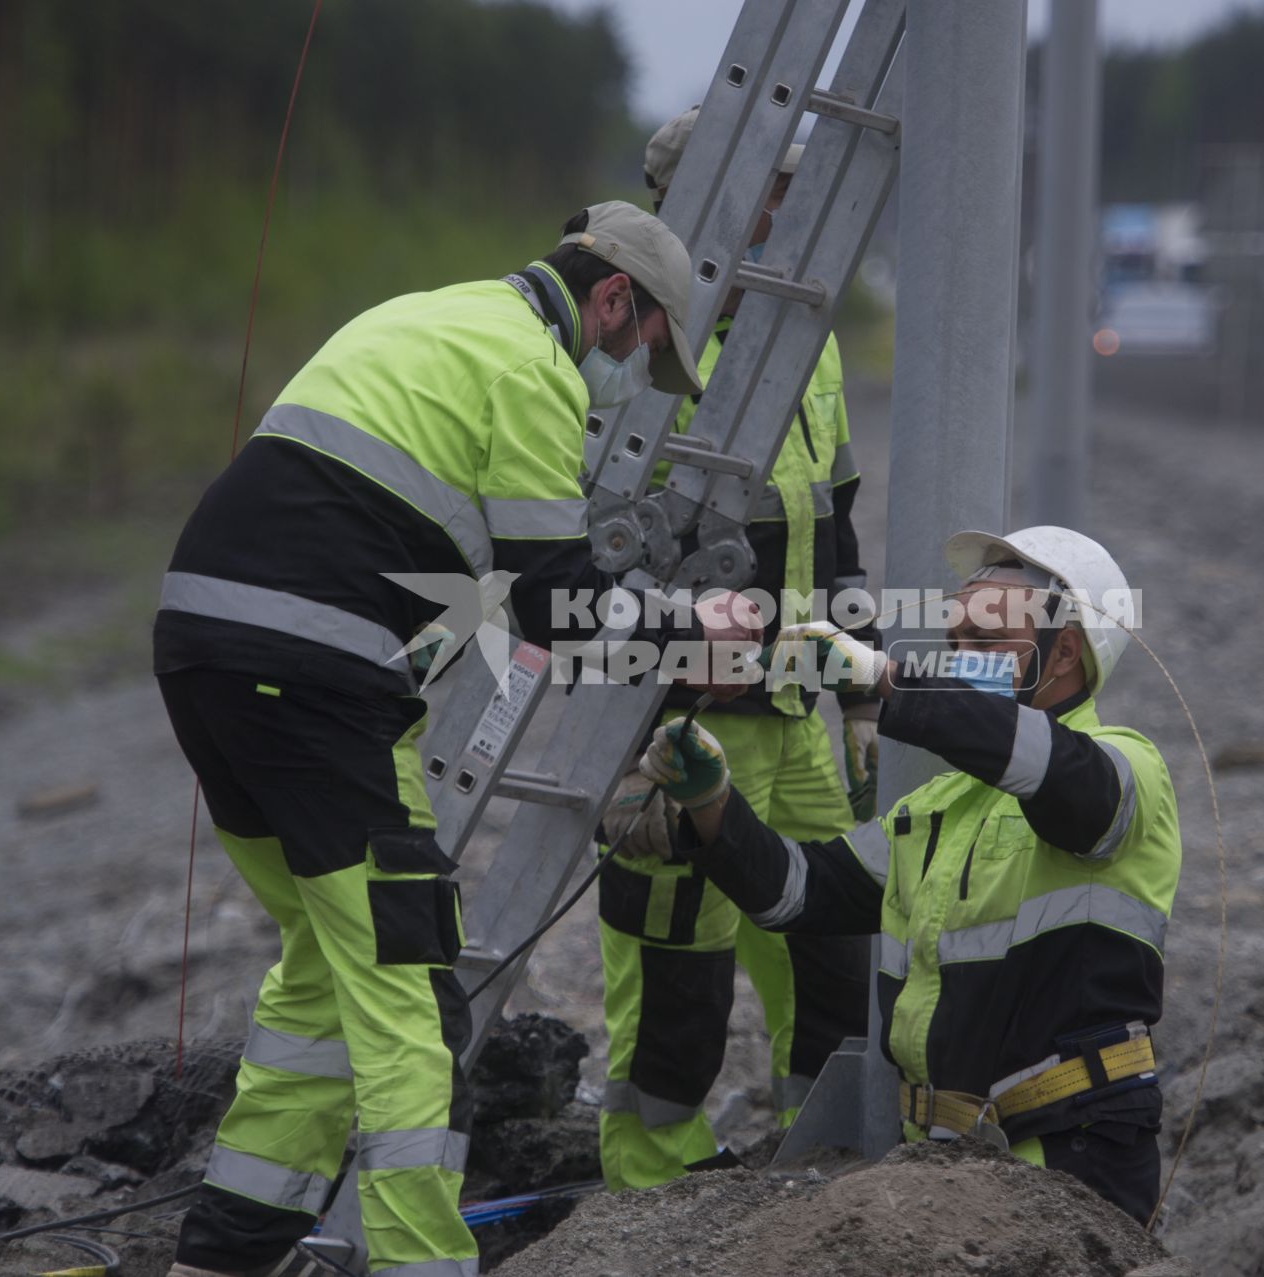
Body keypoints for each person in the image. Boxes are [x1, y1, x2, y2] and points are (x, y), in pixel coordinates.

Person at [155, 202, 751, 1277]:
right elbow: (555, 603)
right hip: (311, 673)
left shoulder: (432, 319)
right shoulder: (531, 369)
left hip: (206, 650)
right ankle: (423, 1262)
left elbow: (427, 560)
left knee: (327, 971)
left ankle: (222, 1258)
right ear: (612, 300)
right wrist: (686, 629)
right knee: (412, 996)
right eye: (645, 353)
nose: (630, 378)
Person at [617, 527, 1181, 1220]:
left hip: (1072, 1160)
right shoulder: (937, 807)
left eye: (988, 639)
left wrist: (882, 677)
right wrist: (712, 806)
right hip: (942, 1168)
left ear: (1064, 651)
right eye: (957, 640)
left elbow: (1052, 769)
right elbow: (800, 891)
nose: (962, 656)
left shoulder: (1126, 767)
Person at [593, 107, 880, 1190]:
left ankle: (819, 1159)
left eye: (788, 195)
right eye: (765, 193)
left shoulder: (812, 340)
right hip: (682, 719)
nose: (782, 215)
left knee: (832, 941)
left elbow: (837, 524)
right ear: (693, 203)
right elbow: (581, 544)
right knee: (678, 961)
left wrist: (857, 679)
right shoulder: (637, 352)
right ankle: (653, 1181)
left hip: (796, 706)